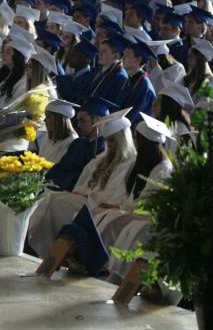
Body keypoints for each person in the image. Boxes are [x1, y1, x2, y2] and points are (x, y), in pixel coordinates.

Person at [29, 111, 135, 258]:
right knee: (52, 198)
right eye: (108, 141)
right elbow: (84, 182)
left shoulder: (129, 163)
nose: (110, 145)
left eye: (113, 141)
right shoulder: (101, 158)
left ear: (123, 140)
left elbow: (116, 194)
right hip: (88, 200)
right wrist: (81, 192)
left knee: (55, 201)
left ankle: (52, 250)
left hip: (100, 206)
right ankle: (47, 248)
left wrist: (89, 195)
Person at [98, 113, 175, 282]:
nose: (136, 143)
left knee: (116, 220)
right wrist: (121, 207)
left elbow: (148, 203)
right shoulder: (141, 163)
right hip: (132, 212)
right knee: (108, 216)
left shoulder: (163, 169)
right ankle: (99, 261)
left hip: (148, 218)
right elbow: (129, 194)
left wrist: (122, 209)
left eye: (137, 139)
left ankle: (110, 268)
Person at [44, 99, 111, 191]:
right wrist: (46, 179)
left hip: (71, 191)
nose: (78, 125)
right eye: (78, 121)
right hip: (55, 186)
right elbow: (60, 166)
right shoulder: (78, 143)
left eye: (82, 121)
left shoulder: (102, 149)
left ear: (97, 121)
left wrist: (56, 183)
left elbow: (83, 176)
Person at [36, 98, 79, 165]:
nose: (44, 120)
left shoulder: (72, 141)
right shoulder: (49, 136)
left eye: (48, 116)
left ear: (58, 119)